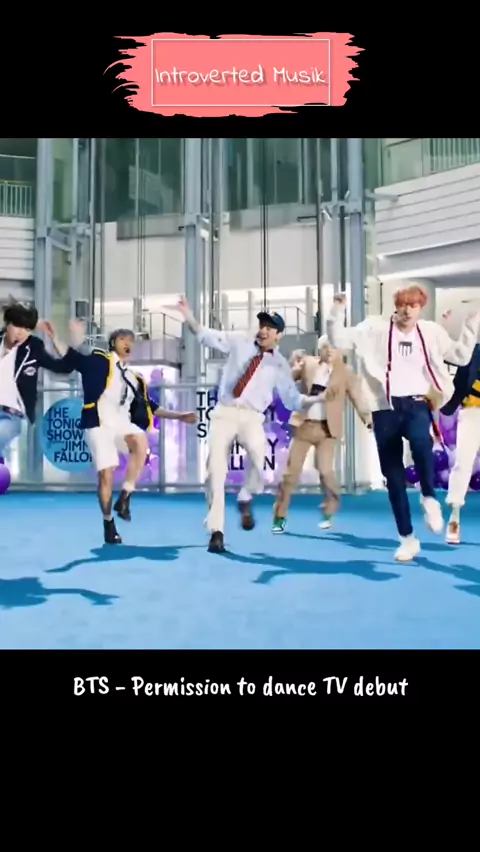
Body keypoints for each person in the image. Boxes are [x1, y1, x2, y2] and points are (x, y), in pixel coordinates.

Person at [326, 286, 480, 562]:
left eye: (414, 305)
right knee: (394, 477)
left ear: (421, 308)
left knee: (422, 443)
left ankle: (429, 497)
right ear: (396, 305)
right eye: (403, 305)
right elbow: (338, 338)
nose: (408, 310)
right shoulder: (374, 328)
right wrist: (337, 311)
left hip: (417, 403)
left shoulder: (431, 332)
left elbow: (460, 356)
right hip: (384, 408)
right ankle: (407, 539)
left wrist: (471, 323)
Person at [177, 297, 324, 553]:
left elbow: (291, 399)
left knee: (259, 464)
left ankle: (246, 496)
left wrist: (316, 399)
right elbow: (204, 334)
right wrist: (187, 314)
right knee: (215, 472)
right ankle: (216, 531)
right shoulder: (239, 341)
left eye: (270, 327)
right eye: (262, 325)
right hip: (225, 412)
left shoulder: (280, 364)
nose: (263, 330)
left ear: (278, 335)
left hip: (252, 417)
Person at [48, 323, 197, 544]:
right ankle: (108, 522)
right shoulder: (100, 360)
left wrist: (180, 416)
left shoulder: (134, 378)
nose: (128, 343)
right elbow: (74, 358)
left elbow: (151, 406)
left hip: (121, 423)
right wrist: (57, 338)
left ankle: (126, 495)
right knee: (105, 476)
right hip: (98, 423)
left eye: (131, 340)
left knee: (140, 440)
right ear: (112, 343)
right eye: (122, 339)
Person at [272, 335, 372, 533]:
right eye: (325, 347)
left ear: (341, 350)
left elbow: (358, 397)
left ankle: (330, 508)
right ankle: (279, 515)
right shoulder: (308, 364)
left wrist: (368, 419)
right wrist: (293, 367)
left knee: (326, 472)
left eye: (333, 347)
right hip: (304, 426)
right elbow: (287, 380)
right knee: (290, 475)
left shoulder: (346, 373)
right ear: (320, 349)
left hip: (327, 430)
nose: (329, 351)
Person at [0, 300, 77, 459]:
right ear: (7, 324)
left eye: (27, 329)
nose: (21, 333)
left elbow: (65, 367)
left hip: (13, 415)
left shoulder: (34, 347)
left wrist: (55, 339)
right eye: (17, 326)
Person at [442, 342, 480, 544]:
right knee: (462, 463)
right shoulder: (473, 352)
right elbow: (460, 382)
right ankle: (454, 517)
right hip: (472, 412)